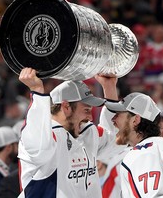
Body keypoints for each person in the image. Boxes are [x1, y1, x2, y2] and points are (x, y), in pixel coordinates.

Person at [17, 67, 121, 197]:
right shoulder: (47, 137)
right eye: (86, 110)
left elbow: (113, 137)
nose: (90, 117)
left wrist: (109, 87)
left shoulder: (86, 132)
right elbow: (41, 147)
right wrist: (37, 92)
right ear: (66, 107)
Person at [104, 92, 163, 197]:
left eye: (118, 115)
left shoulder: (144, 153)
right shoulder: (160, 146)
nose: (113, 119)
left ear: (135, 120)